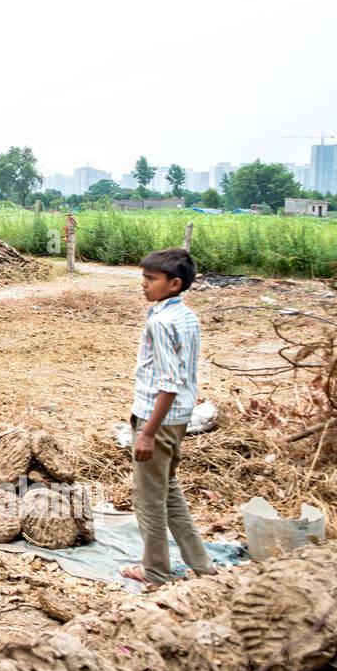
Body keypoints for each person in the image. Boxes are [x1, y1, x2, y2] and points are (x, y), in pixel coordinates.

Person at [120, 248, 215, 586]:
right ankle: (202, 566)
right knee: (169, 491)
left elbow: (169, 381)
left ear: (174, 284)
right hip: (177, 419)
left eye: (151, 279)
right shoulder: (186, 316)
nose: (143, 285)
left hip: (155, 420)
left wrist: (146, 433)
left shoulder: (161, 322)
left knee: (148, 500)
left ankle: (156, 571)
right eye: (143, 278)